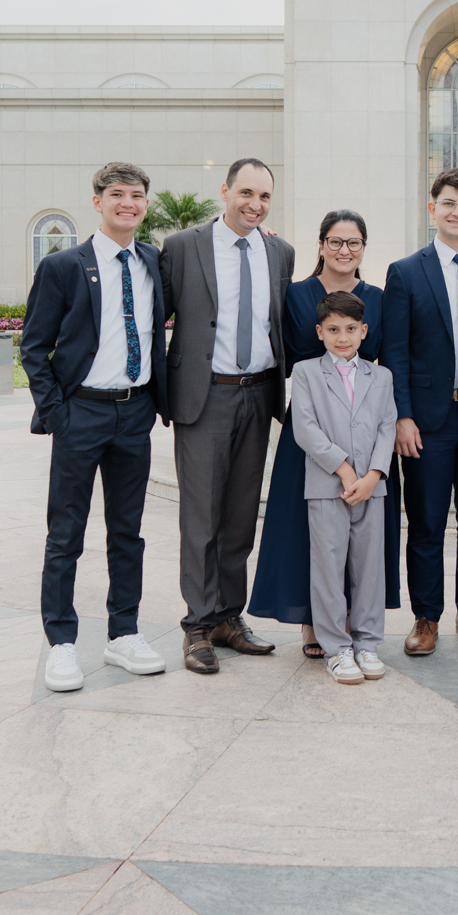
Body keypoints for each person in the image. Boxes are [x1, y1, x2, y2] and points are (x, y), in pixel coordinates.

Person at [21, 161, 169, 693]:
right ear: (98, 201)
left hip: (135, 413)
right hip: (80, 413)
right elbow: (34, 347)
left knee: (127, 533)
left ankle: (123, 633)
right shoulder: (64, 266)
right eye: (116, 194)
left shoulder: (154, 260)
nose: (127, 203)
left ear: (145, 204)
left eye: (136, 195)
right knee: (66, 534)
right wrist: (59, 414)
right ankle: (60, 642)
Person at [160, 157, 295, 674]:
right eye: (246, 193)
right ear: (225, 190)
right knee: (201, 518)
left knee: (240, 516)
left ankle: (227, 618)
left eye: (263, 196)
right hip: (205, 396)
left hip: (258, 395)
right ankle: (196, 624)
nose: (254, 205)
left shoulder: (279, 251)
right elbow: (158, 321)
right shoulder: (182, 247)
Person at [248, 210, 402, 657]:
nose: (344, 251)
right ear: (320, 245)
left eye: (353, 243)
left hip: (365, 417)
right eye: (335, 241)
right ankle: (313, 621)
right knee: (309, 529)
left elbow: (387, 358)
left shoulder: (378, 297)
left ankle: (358, 620)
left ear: (363, 249)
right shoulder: (295, 294)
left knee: (363, 536)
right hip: (314, 420)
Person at [380, 170, 458, 657]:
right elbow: (395, 351)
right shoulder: (406, 271)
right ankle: (426, 617)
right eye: (449, 202)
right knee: (428, 522)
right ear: (432, 208)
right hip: (428, 421)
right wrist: (402, 416)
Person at [290, 291, 398, 685]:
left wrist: (373, 475)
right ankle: (336, 647)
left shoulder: (380, 376)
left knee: (369, 568)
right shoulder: (305, 373)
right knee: (328, 568)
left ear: (364, 331)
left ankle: (368, 641)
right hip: (327, 486)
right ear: (320, 332)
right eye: (333, 330)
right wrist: (345, 470)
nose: (343, 337)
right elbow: (305, 428)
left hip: (372, 487)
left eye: (351, 329)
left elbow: (388, 427)